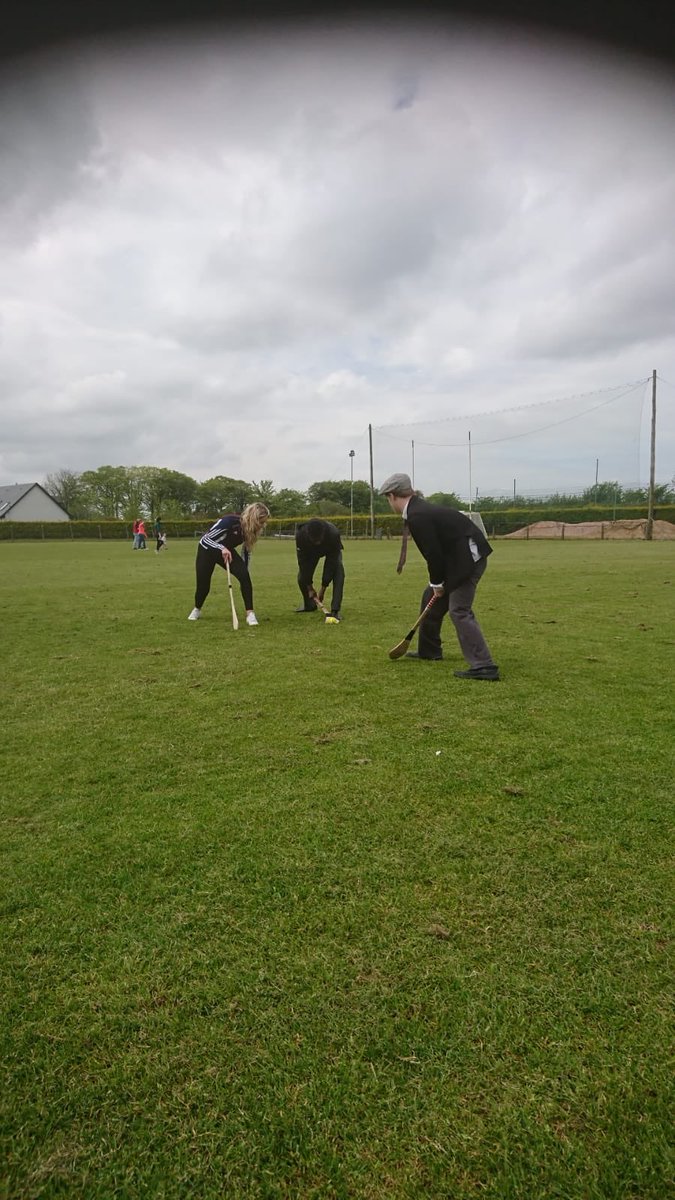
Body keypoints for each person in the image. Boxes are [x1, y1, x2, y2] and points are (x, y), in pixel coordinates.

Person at [379, 473, 499, 680]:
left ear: (391, 496)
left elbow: (432, 554)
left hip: (469, 559)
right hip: (457, 558)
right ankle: (429, 650)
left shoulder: (417, 515)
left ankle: (484, 666)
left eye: (387, 499)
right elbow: (439, 551)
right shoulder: (418, 509)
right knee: (430, 599)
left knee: (459, 610)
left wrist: (438, 582)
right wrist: (436, 584)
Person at [188, 502, 270, 625]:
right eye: (261, 521)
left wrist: (244, 570)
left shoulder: (250, 530)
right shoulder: (230, 522)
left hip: (227, 552)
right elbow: (205, 539)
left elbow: (246, 551)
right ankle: (197, 609)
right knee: (203, 586)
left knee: (245, 577)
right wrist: (221, 548)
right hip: (207, 550)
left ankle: (250, 614)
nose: (263, 525)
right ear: (254, 518)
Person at [295, 518, 345, 623]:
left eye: (319, 540)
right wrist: (310, 588)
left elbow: (330, 564)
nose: (317, 543)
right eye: (315, 540)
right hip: (311, 552)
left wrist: (323, 589)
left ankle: (335, 610)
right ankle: (309, 605)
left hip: (331, 551)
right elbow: (302, 563)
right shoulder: (301, 535)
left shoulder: (333, 533)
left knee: (339, 572)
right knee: (302, 578)